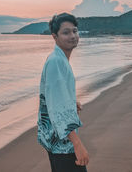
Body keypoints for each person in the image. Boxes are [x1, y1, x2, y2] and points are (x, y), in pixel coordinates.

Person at [37, 12, 89, 172]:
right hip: (61, 141)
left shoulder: (59, 58)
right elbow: (57, 107)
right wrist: (77, 144)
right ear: (55, 36)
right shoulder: (56, 62)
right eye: (66, 32)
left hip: (54, 135)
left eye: (74, 31)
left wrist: (72, 102)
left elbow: (54, 95)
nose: (73, 36)